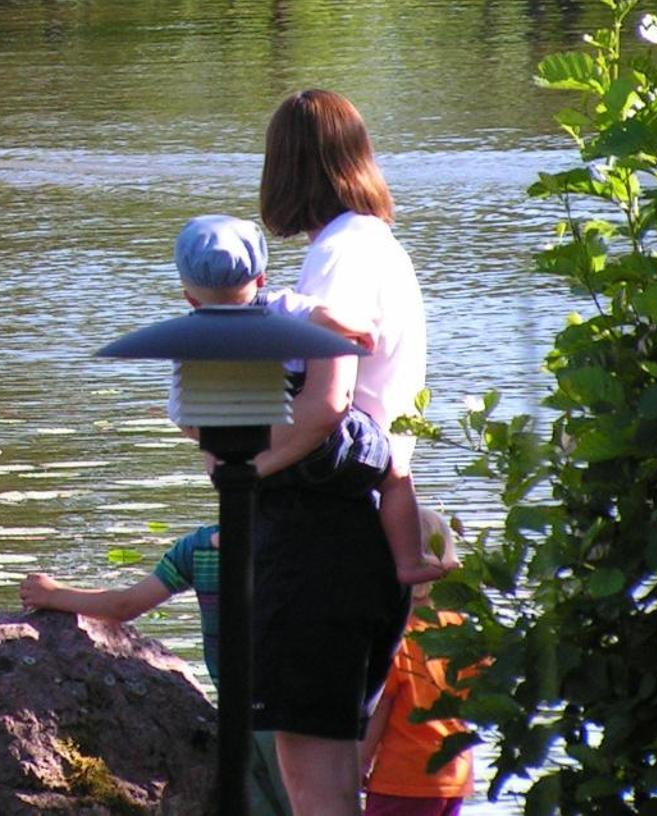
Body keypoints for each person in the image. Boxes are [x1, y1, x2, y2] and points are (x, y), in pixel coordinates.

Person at [247, 89, 428, 816]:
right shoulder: (376, 243)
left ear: (289, 167)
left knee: (312, 768)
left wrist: (246, 469)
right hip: (370, 519)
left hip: (329, 528)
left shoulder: (346, 251)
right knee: (331, 756)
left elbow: (326, 400)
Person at [171, 214, 453, 589]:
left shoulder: (191, 342)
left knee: (234, 479)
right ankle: (408, 563)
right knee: (394, 474)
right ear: (260, 279)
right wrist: (360, 329)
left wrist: (215, 435)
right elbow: (326, 316)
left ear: (188, 294)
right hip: (324, 448)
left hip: (257, 455)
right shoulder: (279, 306)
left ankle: (237, 533)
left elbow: (183, 413)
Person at [20, 525, 293, 816]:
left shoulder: (199, 549)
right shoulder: (298, 546)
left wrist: (53, 594)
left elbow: (124, 605)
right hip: (293, 708)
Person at [360, 510, 476, 816]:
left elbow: (380, 707)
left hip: (401, 779)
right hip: (455, 774)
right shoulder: (461, 630)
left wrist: (360, 762)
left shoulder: (398, 635)